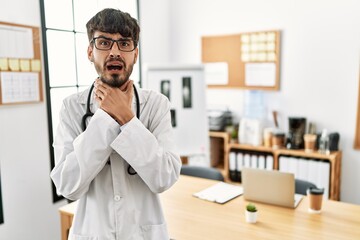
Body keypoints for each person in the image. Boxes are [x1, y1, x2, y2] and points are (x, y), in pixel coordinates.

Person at [50, 8, 181, 240]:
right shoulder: (72, 107)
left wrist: (127, 118)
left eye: (124, 43)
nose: (114, 52)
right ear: (90, 52)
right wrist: (105, 118)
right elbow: (67, 185)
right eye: (104, 42)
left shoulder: (156, 104)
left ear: (135, 54)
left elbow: (165, 177)